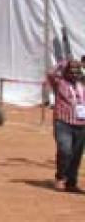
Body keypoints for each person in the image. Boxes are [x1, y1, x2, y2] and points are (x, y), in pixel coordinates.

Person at [47, 59, 85, 192]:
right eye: (72, 71)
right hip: (63, 123)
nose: (75, 74)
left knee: (76, 155)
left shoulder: (82, 84)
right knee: (65, 150)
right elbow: (50, 73)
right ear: (66, 72)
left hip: (81, 124)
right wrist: (64, 62)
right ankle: (60, 177)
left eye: (77, 71)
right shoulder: (60, 83)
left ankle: (71, 182)